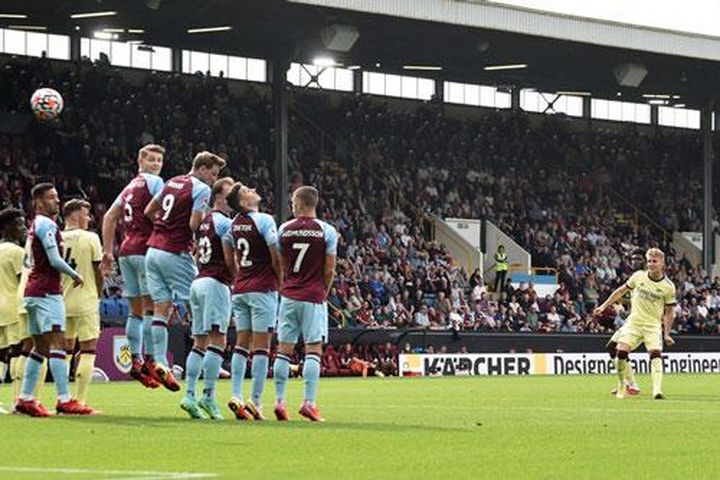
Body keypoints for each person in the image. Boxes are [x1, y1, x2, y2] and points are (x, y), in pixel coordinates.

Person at [144, 151, 226, 391]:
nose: (213, 179)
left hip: (153, 251)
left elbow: (149, 210)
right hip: (175, 252)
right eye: (212, 173)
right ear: (201, 168)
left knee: (161, 307)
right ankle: (210, 355)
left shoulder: (171, 181)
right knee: (198, 301)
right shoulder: (200, 188)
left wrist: (163, 227)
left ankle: (160, 362)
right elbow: (194, 223)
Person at [15, 183, 92, 417]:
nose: (56, 202)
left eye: (57, 197)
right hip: (47, 292)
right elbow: (54, 259)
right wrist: (75, 274)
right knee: (59, 344)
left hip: (32, 293)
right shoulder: (46, 224)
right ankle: (64, 399)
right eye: (51, 198)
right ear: (38, 201)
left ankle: (26, 398)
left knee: (39, 348)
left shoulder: (36, 225)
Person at [102, 144, 165, 388]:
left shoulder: (129, 187)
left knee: (134, 311)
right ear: (141, 161)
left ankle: (135, 360)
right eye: (152, 160)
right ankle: (149, 360)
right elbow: (155, 214)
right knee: (152, 307)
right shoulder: (155, 183)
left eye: (159, 160)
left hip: (126, 251)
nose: (156, 164)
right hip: (146, 250)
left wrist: (108, 251)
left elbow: (109, 217)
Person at [273, 186, 337, 422]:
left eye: (292, 202)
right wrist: (323, 291)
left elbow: (280, 264)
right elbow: (330, 268)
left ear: (299, 203)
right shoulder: (326, 231)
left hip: (289, 296)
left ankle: (279, 401)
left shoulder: (284, 229)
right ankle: (309, 403)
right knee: (313, 349)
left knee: (284, 350)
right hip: (313, 296)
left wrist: (284, 286)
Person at [222, 183, 281, 421]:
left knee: (241, 343)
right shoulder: (264, 220)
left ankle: (236, 394)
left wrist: (240, 278)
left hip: (241, 288)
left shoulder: (232, 225)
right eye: (247, 190)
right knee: (261, 347)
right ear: (244, 202)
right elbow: (275, 255)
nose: (253, 189)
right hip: (263, 289)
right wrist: (281, 281)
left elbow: (229, 260)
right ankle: (255, 401)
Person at [180, 177, 234, 420]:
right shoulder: (224, 223)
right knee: (217, 341)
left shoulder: (204, 221)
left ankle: (189, 395)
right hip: (215, 283)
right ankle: (208, 396)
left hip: (198, 282)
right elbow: (230, 258)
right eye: (231, 189)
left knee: (199, 342)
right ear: (220, 196)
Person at [593, 248, 676, 399]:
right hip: (633, 323)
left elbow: (670, 311)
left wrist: (667, 333)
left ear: (662, 263)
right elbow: (620, 292)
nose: (650, 264)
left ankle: (655, 390)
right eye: (648, 261)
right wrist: (604, 306)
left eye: (654, 261)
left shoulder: (668, 287)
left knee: (655, 354)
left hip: (651, 326)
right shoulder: (637, 276)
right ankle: (627, 383)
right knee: (616, 350)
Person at [61, 199, 103, 413]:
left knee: (64, 351)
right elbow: (98, 271)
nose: (89, 218)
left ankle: (62, 398)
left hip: (61, 300)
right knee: (88, 349)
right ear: (75, 215)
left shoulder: (56, 237)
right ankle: (79, 400)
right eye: (86, 214)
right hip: (85, 299)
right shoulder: (90, 238)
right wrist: (98, 293)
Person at [606, 248, 645, 396]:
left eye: (638, 259)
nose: (634, 261)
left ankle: (630, 384)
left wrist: (624, 311)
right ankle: (628, 383)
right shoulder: (635, 278)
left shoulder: (646, 278)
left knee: (619, 350)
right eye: (633, 259)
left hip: (641, 322)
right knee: (612, 348)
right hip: (631, 320)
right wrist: (622, 306)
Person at [0, 208, 27, 414]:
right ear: (7, 228)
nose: (23, 228)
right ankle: (18, 400)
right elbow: (23, 281)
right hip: (12, 307)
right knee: (17, 351)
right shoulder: (18, 252)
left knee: (0, 354)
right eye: (18, 224)